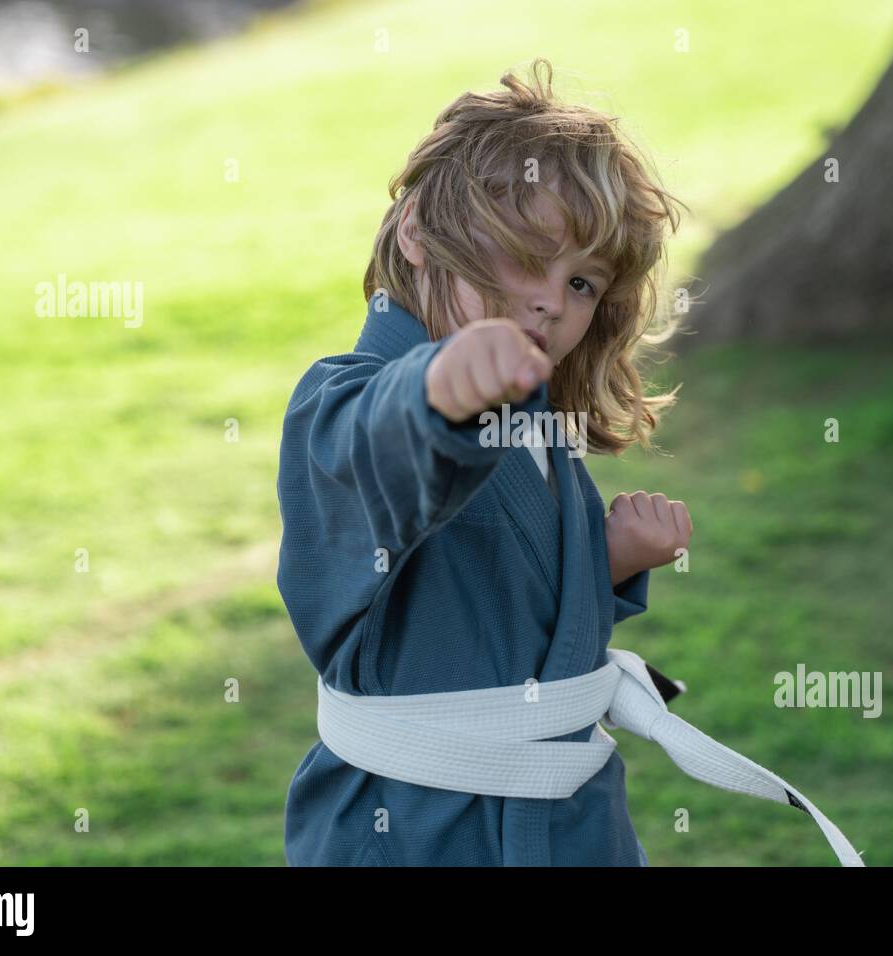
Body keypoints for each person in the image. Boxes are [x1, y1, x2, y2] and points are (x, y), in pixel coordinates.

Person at [277, 57, 692, 865]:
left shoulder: (530, 421)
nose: (551, 301)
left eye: (582, 283)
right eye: (526, 255)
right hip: (417, 830)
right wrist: (434, 390)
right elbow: (378, 457)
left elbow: (490, 606)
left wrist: (604, 562)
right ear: (417, 231)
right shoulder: (343, 403)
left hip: (572, 822)